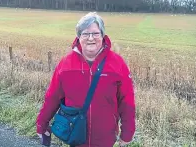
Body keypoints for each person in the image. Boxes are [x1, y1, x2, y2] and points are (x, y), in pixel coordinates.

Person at [36, 12, 136, 147]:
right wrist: (42, 124)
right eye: (85, 34)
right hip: (75, 135)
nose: (91, 38)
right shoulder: (66, 64)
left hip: (105, 138)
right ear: (78, 37)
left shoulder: (117, 64)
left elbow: (127, 101)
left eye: (95, 33)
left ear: (102, 35)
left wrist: (127, 132)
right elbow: (52, 97)